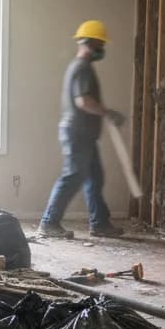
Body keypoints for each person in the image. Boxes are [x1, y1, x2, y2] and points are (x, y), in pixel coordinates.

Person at [38, 19, 126, 239]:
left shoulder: (80, 67)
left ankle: (100, 223)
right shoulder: (82, 68)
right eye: (99, 45)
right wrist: (108, 112)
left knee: (95, 178)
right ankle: (49, 223)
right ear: (87, 43)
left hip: (83, 134)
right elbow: (83, 101)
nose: (101, 50)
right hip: (77, 133)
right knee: (73, 175)